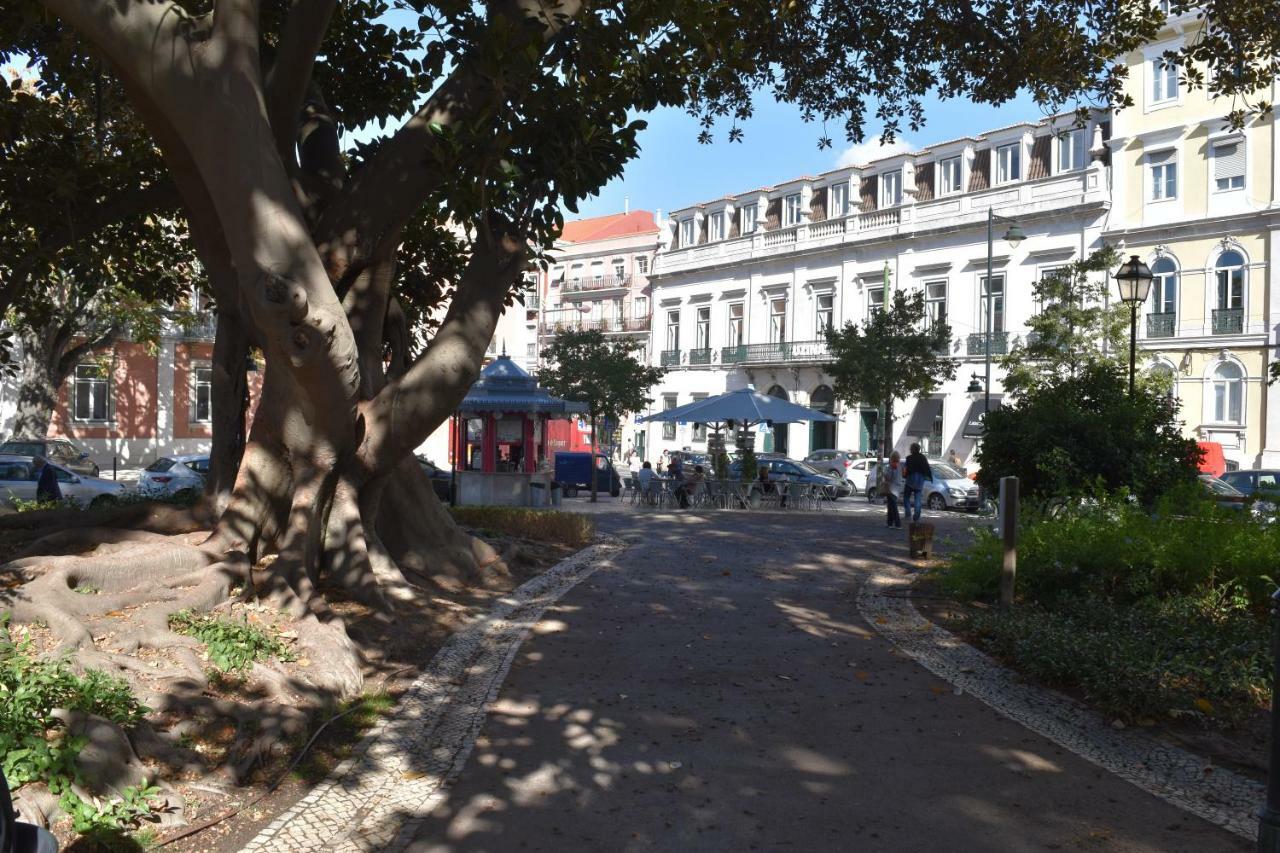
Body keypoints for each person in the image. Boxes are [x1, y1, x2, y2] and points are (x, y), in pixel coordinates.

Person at [903, 442, 934, 523]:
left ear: (912, 449)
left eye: (910, 448)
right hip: (920, 479)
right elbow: (927, 467)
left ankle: (908, 513)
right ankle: (916, 517)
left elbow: (905, 469)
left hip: (910, 479)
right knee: (918, 499)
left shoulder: (909, 458)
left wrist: (904, 476)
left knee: (906, 497)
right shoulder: (923, 457)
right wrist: (929, 477)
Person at [880, 451, 904, 528]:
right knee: (891, 506)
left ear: (892, 458)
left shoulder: (891, 466)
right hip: (897, 488)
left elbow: (888, 477)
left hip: (891, 488)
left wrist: (884, 473)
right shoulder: (900, 466)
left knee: (892, 507)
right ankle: (889, 523)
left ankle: (897, 524)